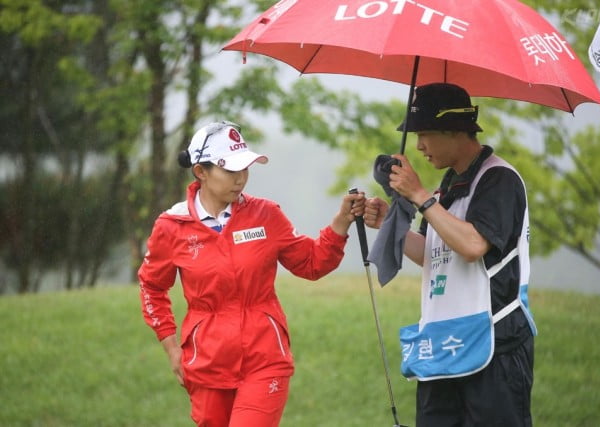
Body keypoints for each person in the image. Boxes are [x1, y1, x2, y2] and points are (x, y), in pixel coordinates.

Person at [138, 120, 365, 427]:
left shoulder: (266, 214)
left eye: (245, 168)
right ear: (200, 172)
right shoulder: (171, 226)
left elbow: (312, 263)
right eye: (230, 170)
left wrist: (341, 222)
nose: (241, 179)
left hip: (265, 358)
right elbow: (152, 287)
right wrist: (170, 347)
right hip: (206, 362)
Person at [364, 83, 537, 427]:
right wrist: (388, 223)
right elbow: (433, 254)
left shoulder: (497, 178)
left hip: (494, 345)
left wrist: (419, 196)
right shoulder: (448, 187)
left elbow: (473, 246)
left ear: (456, 129)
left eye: (425, 132)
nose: (418, 146)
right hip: (443, 347)